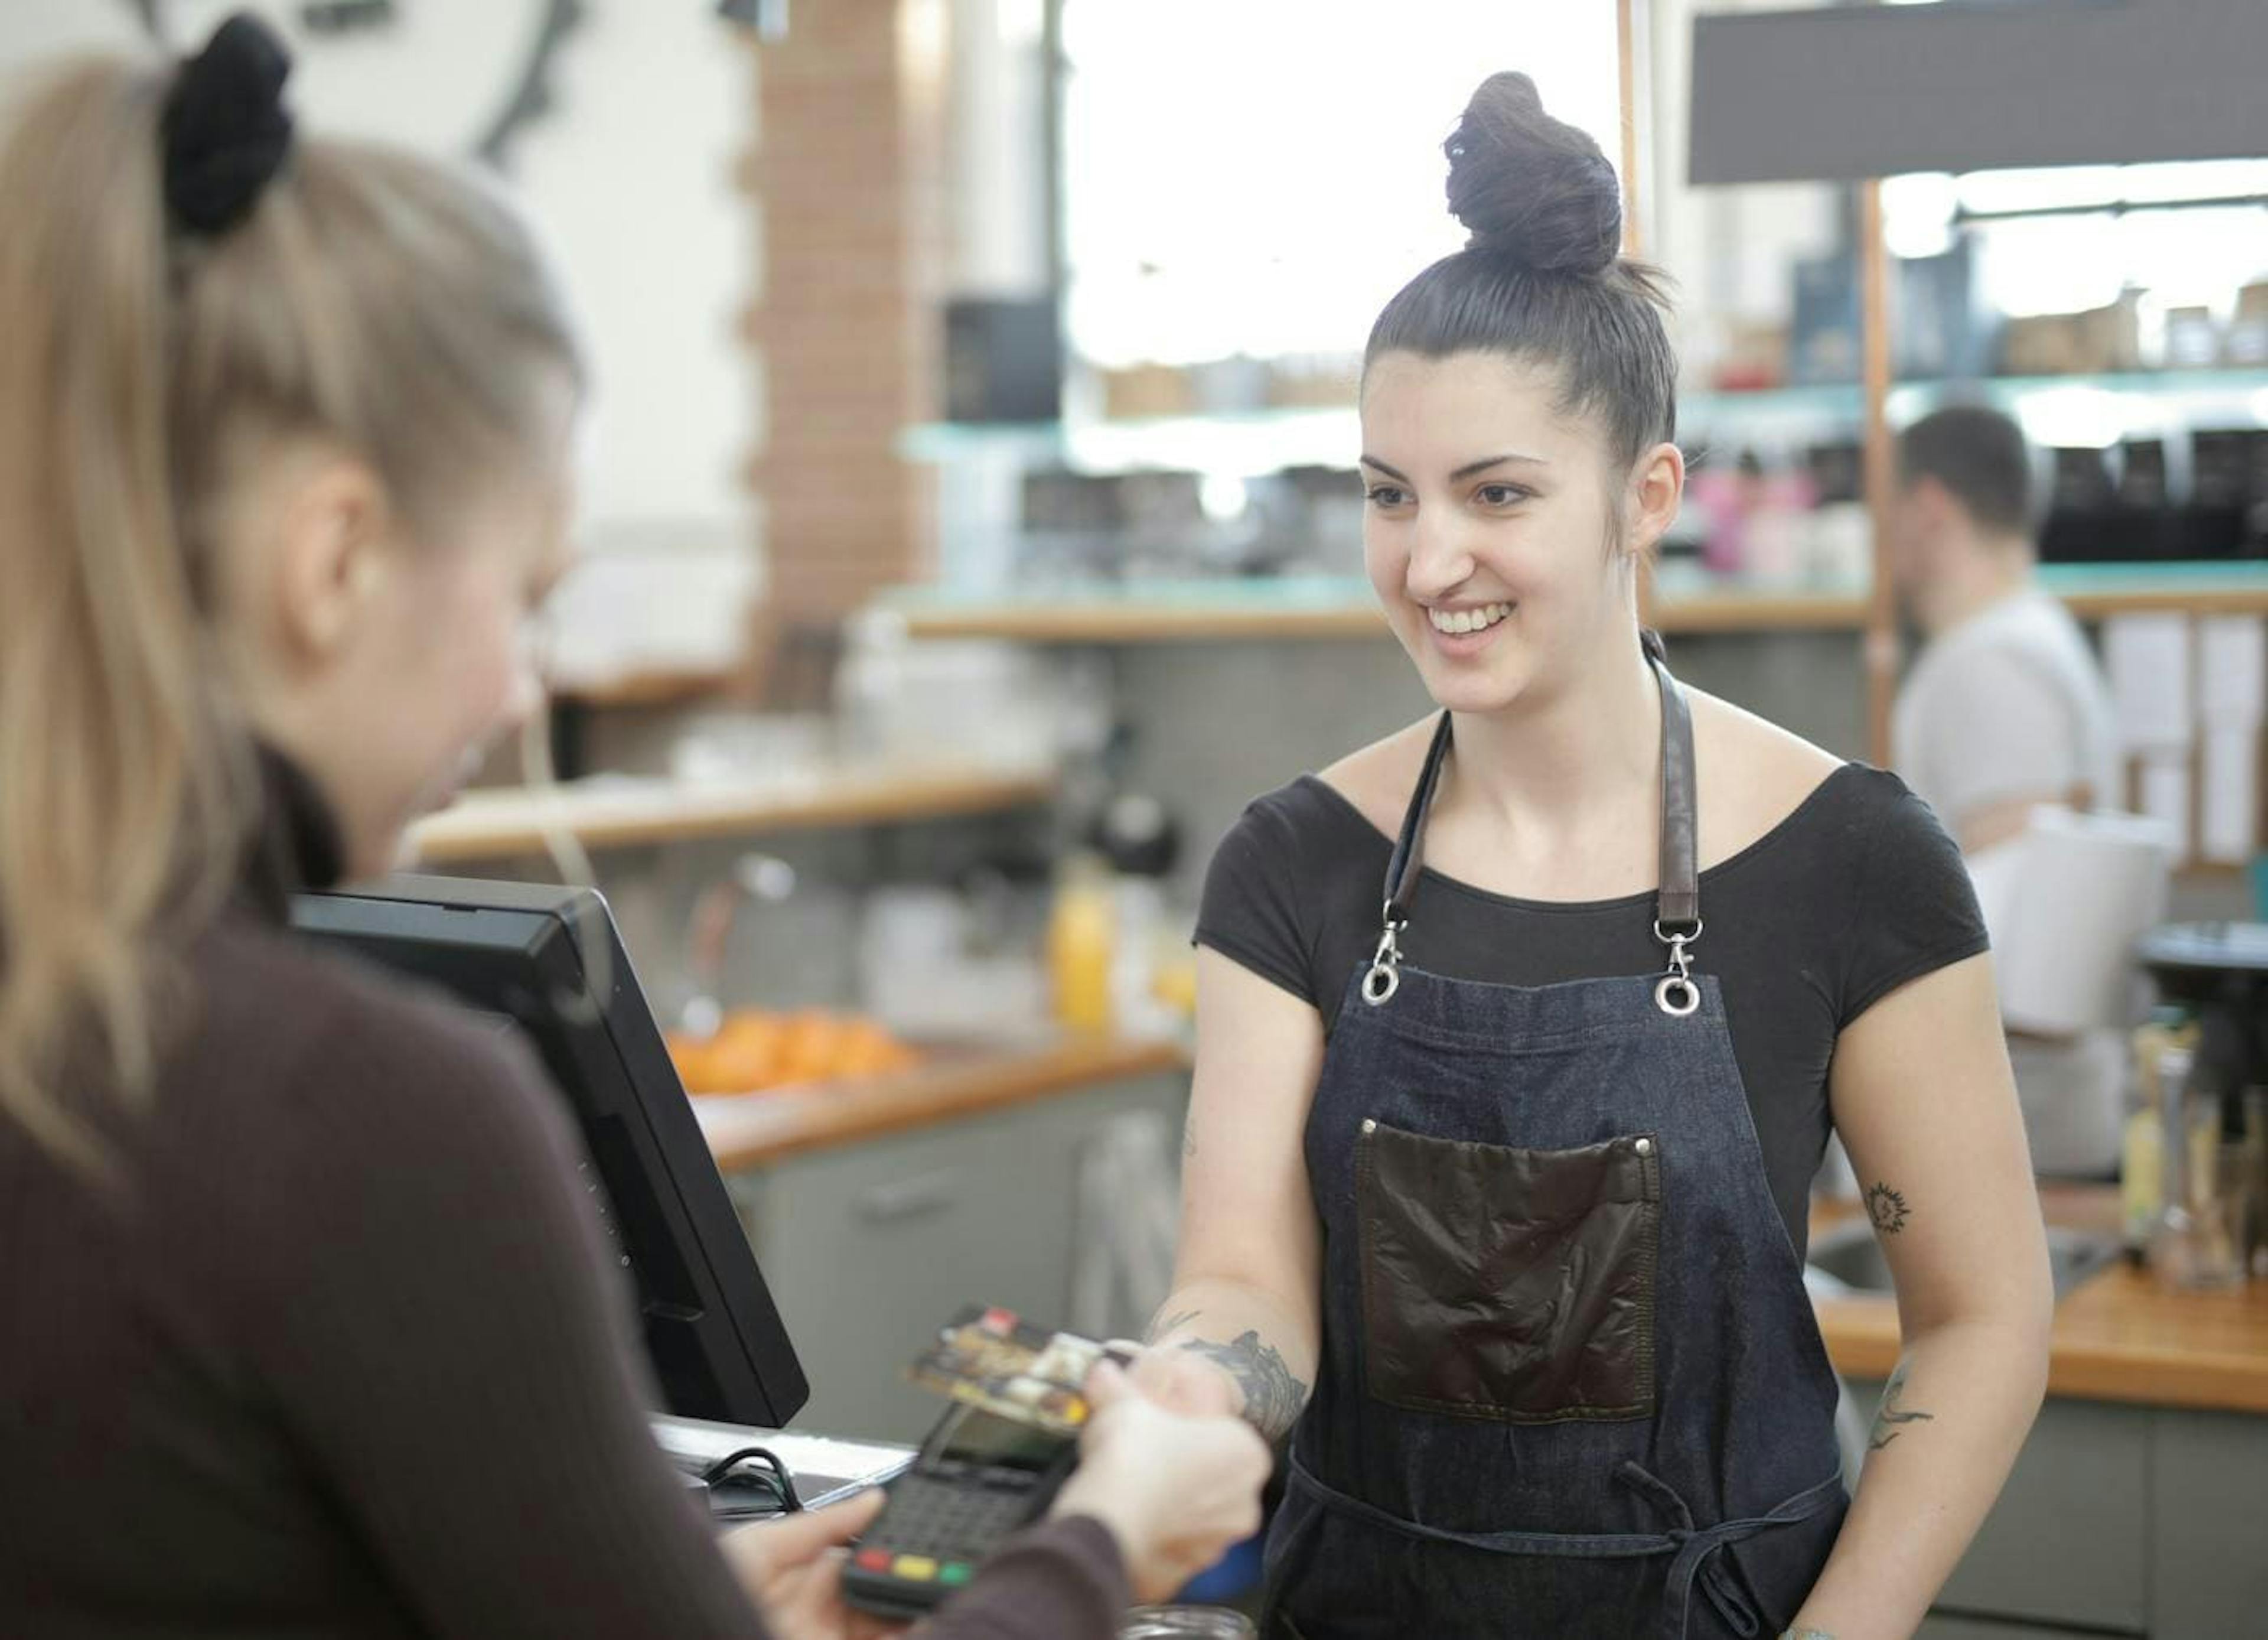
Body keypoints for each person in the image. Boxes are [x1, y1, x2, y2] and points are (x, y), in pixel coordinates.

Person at [0, 17, 1266, 1640]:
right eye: (528, 600)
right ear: (335, 564)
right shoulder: (367, 1118)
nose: (524, 684)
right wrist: (1107, 1542)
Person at [1132, 73, 2053, 1640]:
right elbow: (1242, 1283)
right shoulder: (1290, 867)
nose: (1430, 565)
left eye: (1498, 494)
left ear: (1648, 499)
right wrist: (1183, 1397)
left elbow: (1981, 1318)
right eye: (1387, 496)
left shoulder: (1852, 862)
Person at [1885, 405, 2129, 1179]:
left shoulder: (1991, 664)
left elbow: (2012, 913)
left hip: (2020, 1126)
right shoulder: (2018, 638)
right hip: (2023, 1115)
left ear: (1926, 508)